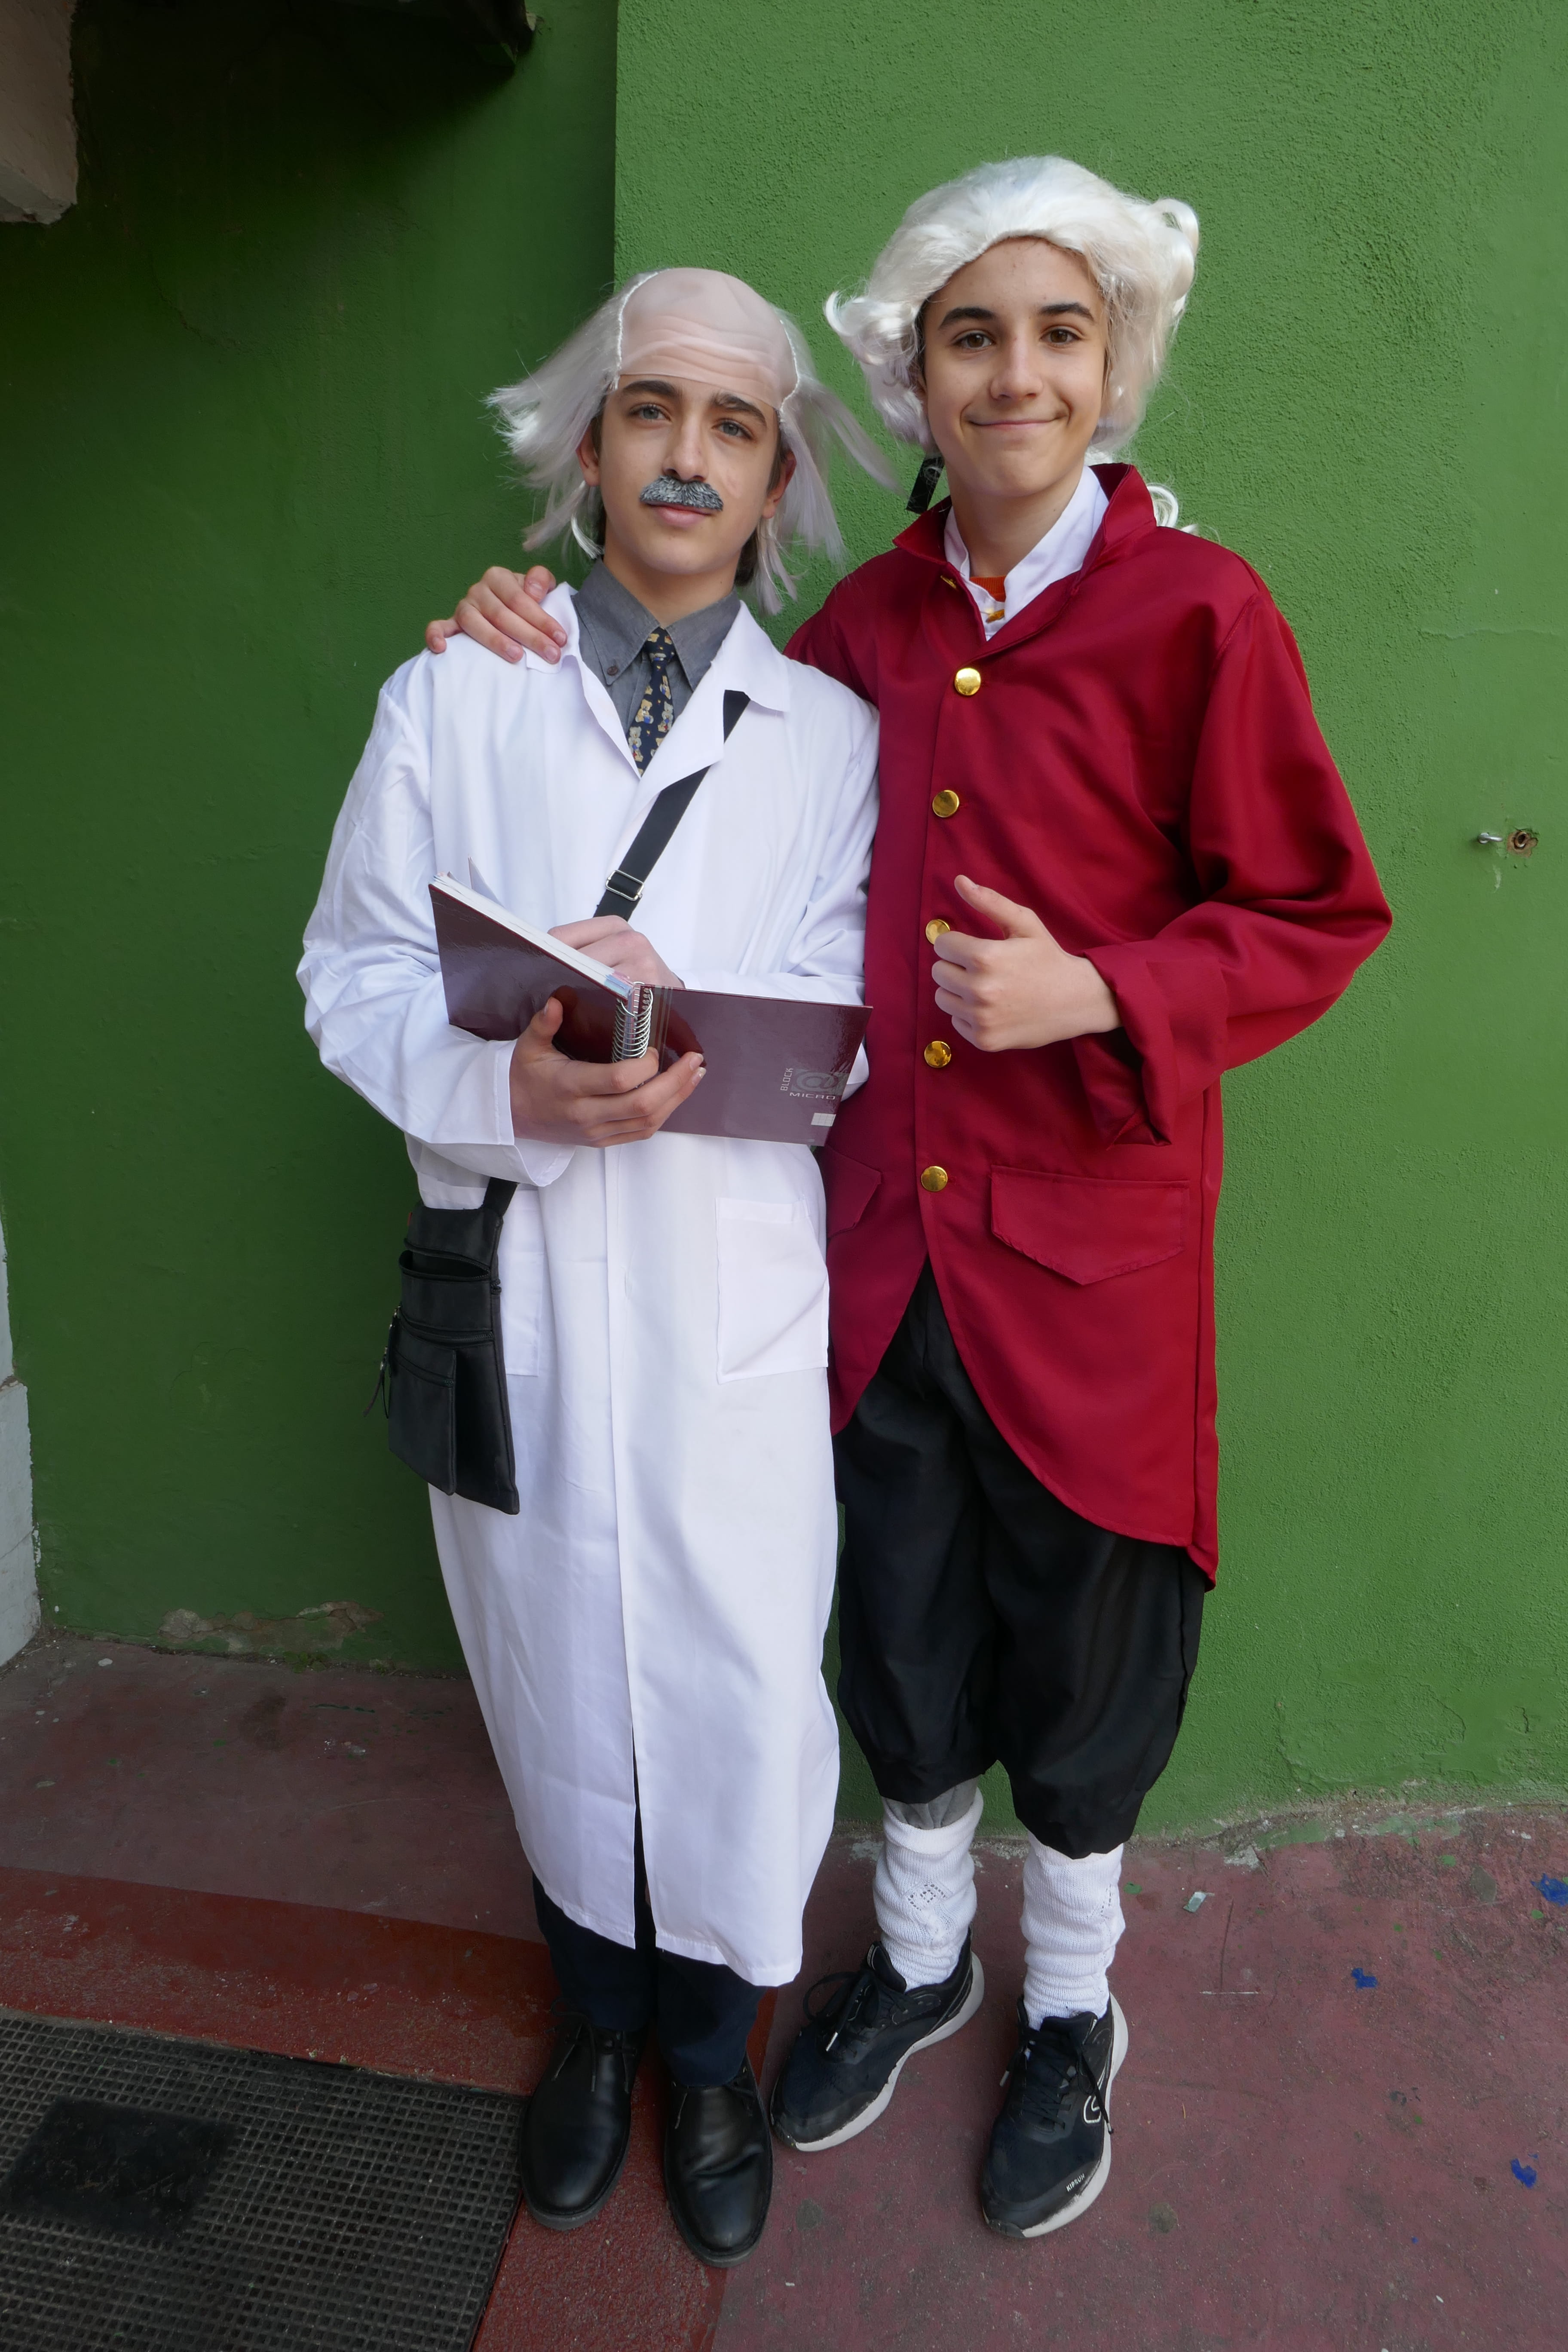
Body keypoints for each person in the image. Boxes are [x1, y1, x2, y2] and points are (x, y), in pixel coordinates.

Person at [424, 157, 1392, 2242]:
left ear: (1116, 363)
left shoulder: (1202, 613)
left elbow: (1319, 912)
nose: (1016, 374)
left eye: (1058, 334)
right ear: (915, 378)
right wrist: (518, 621)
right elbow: (694, 734)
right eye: (972, 337)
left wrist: (1104, 989)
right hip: (876, 1253)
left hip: (1096, 1265)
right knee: (907, 1620)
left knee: (1089, 1652)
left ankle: (1070, 2005)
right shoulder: (861, 630)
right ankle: (927, 1956)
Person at [300, 266, 891, 2269]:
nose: (688, 458)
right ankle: (599, 2022)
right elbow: (352, 972)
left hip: (730, 1297)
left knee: (739, 1678)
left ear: (778, 479)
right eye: (653, 412)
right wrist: (511, 1090)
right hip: (528, 1289)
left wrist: (685, 1006)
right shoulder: (456, 694)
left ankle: (713, 2053)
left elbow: (848, 1010)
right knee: (552, 1669)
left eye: (735, 427)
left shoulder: (826, 738)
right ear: (590, 446)